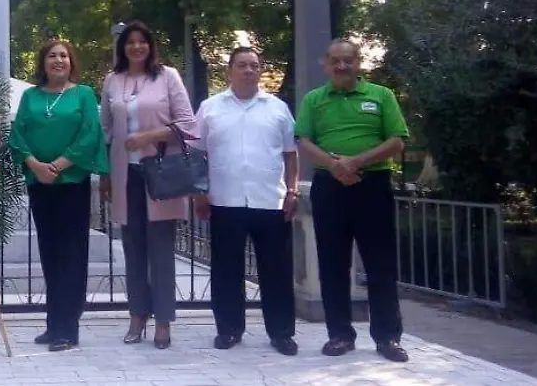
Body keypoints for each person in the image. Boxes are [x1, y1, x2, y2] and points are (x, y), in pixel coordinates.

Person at [295, 39, 410, 363]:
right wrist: (335, 165)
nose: (342, 66)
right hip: (329, 186)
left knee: (380, 264)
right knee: (332, 263)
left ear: (359, 63)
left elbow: (397, 140)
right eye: (336, 61)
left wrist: (355, 162)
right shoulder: (314, 100)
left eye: (348, 60)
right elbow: (303, 139)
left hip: (372, 185)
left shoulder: (381, 95)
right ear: (326, 64)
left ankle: (387, 337)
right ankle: (340, 335)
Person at [190, 47, 299, 355]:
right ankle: (229, 330)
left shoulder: (277, 108)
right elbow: (196, 153)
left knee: (276, 271)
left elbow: (291, 154)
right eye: (242, 65)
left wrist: (292, 191)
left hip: (270, 201)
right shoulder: (210, 108)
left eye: (254, 65)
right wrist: (199, 192)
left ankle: (281, 333)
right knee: (226, 270)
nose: (248, 70)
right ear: (230, 71)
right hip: (224, 200)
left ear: (260, 70)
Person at [99, 21, 197, 349]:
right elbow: (107, 129)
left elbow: (188, 125)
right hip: (126, 174)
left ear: (150, 46)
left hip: (160, 173)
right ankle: (137, 316)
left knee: (161, 251)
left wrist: (148, 136)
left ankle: (164, 321)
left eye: (142, 41)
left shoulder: (167, 77)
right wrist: (106, 175)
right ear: (122, 47)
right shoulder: (112, 80)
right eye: (130, 42)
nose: (136, 47)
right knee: (133, 249)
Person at [10, 39, 109, 352]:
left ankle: (68, 327)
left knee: (72, 255)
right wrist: (35, 165)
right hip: (41, 185)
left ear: (71, 62)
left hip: (71, 185)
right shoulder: (30, 96)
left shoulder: (82, 94)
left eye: (64, 55)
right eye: (52, 55)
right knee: (50, 254)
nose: (58, 60)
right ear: (43, 63)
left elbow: (90, 134)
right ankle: (53, 324)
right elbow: (18, 135)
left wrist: (59, 164)